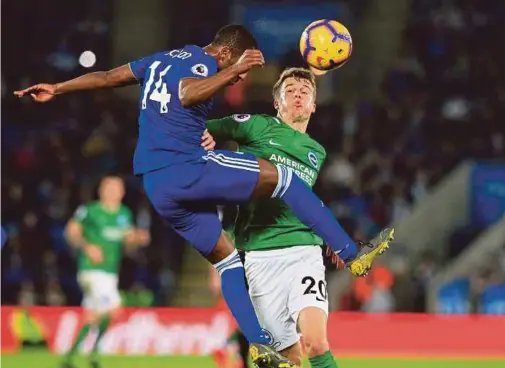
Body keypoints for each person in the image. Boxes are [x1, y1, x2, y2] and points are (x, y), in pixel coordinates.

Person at [14, 24, 391, 368]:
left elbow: (110, 76)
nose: (235, 83)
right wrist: (231, 72)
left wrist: (59, 88)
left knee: (227, 263)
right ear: (227, 53)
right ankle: (350, 253)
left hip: (157, 185)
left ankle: (259, 344)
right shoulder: (203, 62)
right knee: (286, 180)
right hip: (186, 167)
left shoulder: (160, 59)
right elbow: (186, 94)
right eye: (237, 72)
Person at [206, 67, 394, 368]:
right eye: (290, 90)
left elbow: (300, 200)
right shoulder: (256, 126)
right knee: (289, 359)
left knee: (316, 343)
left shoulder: (315, 152)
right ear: (277, 103)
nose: (298, 94)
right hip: (259, 258)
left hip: (303, 253)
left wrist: (326, 235)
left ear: (313, 106)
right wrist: (202, 138)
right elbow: (205, 128)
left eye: (305, 91)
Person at [62, 176, 150, 368]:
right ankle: (89, 353)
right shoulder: (89, 211)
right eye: (110, 187)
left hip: (110, 274)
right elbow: (71, 232)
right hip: (91, 271)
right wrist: (87, 247)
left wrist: (138, 238)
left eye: (118, 188)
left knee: (94, 315)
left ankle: (74, 357)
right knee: (114, 309)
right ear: (101, 190)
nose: (114, 192)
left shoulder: (124, 213)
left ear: (122, 192)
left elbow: (127, 239)